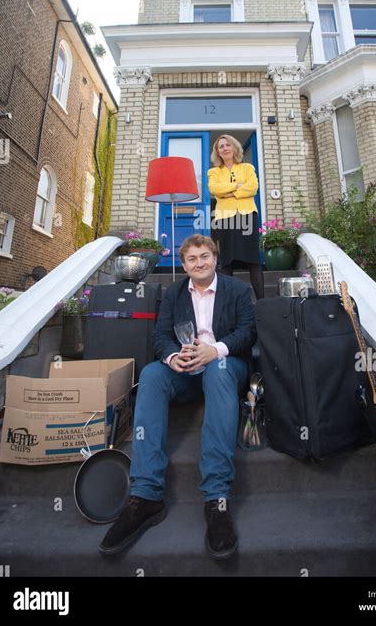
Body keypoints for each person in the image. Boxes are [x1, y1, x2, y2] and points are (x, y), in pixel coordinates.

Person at [99, 234, 257, 560]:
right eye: (192, 259)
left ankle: (216, 497)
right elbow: (160, 336)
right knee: (153, 374)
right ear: (184, 264)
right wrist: (174, 358)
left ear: (215, 258)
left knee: (219, 368)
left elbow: (248, 332)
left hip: (225, 367)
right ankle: (145, 496)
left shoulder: (238, 290)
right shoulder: (173, 293)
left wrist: (215, 350)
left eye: (205, 256)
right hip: (185, 372)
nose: (199, 263)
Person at [208, 134, 265, 300]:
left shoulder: (247, 168)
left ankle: (262, 303)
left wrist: (229, 193)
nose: (225, 148)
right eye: (221, 146)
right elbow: (214, 189)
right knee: (227, 261)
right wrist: (237, 186)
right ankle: (230, 303)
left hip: (247, 216)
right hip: (225, 218)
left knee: (253, 260)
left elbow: (253, 187)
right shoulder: (213, 172)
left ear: (234, 148)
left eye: (228, 145)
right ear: (217, 152)